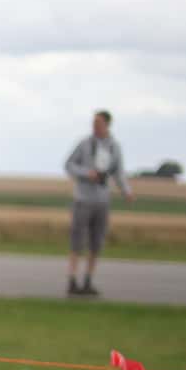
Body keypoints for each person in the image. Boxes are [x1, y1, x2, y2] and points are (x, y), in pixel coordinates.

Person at [64, 110, 133, 296]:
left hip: (102, 200)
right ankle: (72, 280)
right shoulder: (84, 144)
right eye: (93, 122)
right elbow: (69, 165)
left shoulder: (114, 147)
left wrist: (126, 191)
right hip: (83, 198)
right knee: (77, 241)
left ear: (107, 124)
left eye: (99, 122)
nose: (95, 126)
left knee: (96, 242)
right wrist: (87, 173)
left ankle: (88, 280)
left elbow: (118, 172)